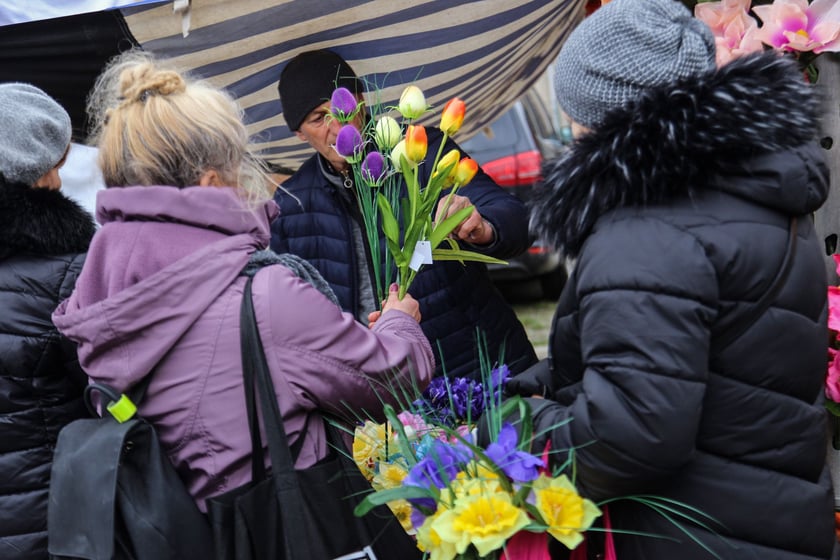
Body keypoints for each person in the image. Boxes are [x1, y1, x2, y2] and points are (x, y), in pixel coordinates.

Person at [505, 0, 838, 558]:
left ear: (606, 109)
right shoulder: (747, 189)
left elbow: (632, 438)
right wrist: (556, 377)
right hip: (766, 519)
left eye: (575, 107)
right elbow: (717, 353)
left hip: (692, 535)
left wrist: (518, 424)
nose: (569, 125)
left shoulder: (645, 229)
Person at [51, 50, 435, 512]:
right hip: (277, 529)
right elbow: (389, 380)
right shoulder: (263, 296)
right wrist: (398, 324)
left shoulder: (98, 296)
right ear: (212, 183)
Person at [271, 49, 538, 380]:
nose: (337, 125)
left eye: (343, 108)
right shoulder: (291, 204)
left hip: (478, 369)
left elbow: (515, 219)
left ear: (362, 101)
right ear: (300, 133)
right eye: (317, 118)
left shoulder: (422, 152)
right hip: (382, 389)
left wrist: (483, 226)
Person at [0, 83, 96, 560]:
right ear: (33, 172)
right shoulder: (67, 273)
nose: (60, 182)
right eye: (55, 168)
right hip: (59, 516)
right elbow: (109, 392)